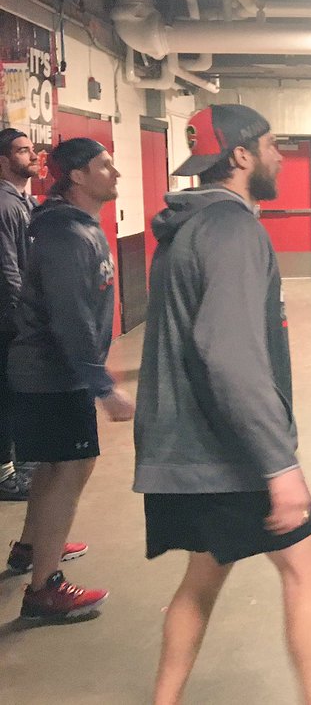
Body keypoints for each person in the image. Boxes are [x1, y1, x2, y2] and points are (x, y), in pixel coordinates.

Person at [134, 104, 311, 704]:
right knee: (310, 564)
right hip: (223, 449)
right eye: (273, 145)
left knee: (204, 572)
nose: (281, 156)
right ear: (242, 155)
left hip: (179, 446)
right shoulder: (233, 232)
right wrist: (279, 465)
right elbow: (230, 356)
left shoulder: (187, 229)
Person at [9, 138, 133, 620]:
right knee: (73, 468)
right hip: (52, 375)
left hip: (55, 373)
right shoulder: (65, 233)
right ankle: (44, 588)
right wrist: (103, 386)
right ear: (77, 176)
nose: (116, 173)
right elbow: (69, 318)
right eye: (105, 165)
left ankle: (31, 547)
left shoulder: (75, 225)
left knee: (58, 466)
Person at [0, 128, 38, 502]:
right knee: (7, 394)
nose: (32, 155)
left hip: (17, 316)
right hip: (9, 318)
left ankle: (15, 463)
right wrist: (23, 318)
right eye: (22, 150)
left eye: (32, 149)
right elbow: (8, 269)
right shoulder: (5, 204)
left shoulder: (23, 201)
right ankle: (6, 473)